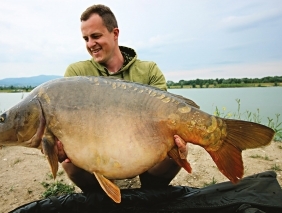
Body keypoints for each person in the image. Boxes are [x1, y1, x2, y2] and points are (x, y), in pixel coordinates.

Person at [59, 4, 188, 192]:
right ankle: (100, 198)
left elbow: (166, 115)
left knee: (177, 152)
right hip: (96, 154)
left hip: (143, 150)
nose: (90, 44)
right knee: (69, 162)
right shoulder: (76, 74)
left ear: (115, 33)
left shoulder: (149, 70)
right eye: (85, 38)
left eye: (96, 36)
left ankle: (149, 195)